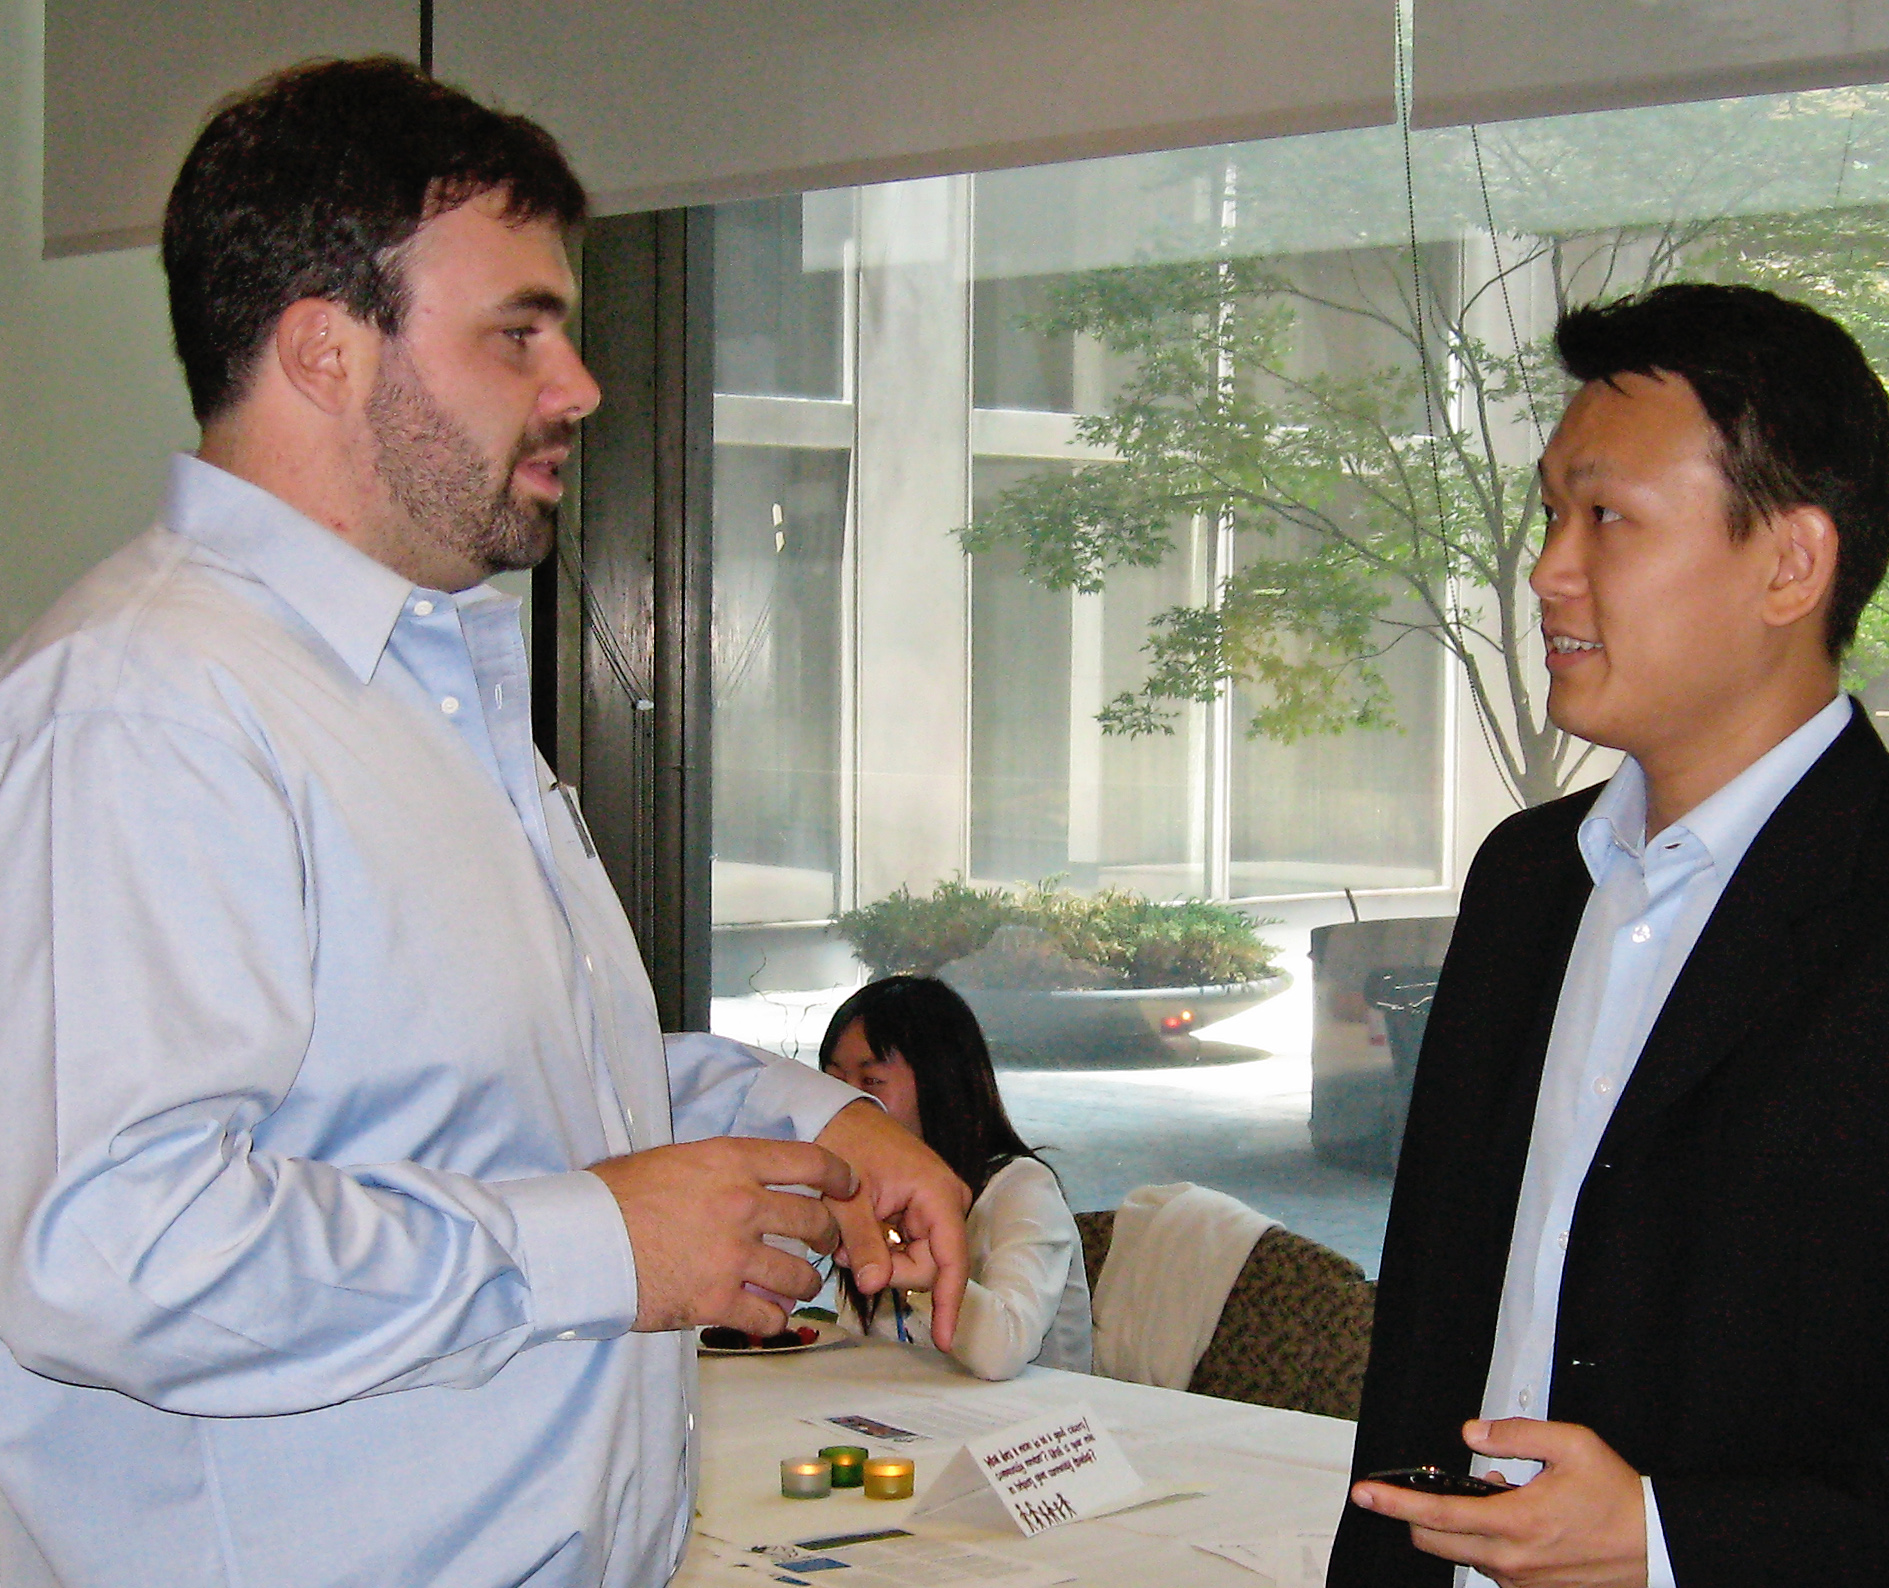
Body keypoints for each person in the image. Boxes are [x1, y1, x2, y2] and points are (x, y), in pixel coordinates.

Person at [0, 58, 969, 1588]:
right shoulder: (149, 707)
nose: (577, 384)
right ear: (323, 350)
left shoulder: (418, 687)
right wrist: (600, 1246)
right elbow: (112, 1251)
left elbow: (493, 1089)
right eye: (518, 330)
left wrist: (812, 1123)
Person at [1330, 282, 1889, 1587]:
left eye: (1605, 518)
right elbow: (1429, 1330)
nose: (1546, 568)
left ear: (1788, 563)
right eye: (1549, 515)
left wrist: (1672, 1538)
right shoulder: (1524, 880)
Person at [819, 976, 1092, 1380]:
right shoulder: (862, 1188)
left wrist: (928, 1280)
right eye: (834, 1080)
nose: (847, 1103)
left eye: (872, 1081)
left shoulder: (1020, 1188)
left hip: (1031, 1429)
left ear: (940, 1083)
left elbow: (1004, 1351)